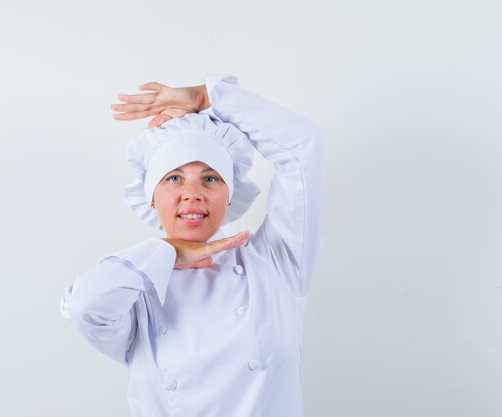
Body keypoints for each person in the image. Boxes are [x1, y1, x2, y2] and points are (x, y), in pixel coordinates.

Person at [60, 73, 325, 417]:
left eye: (210, 178)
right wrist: (166, 253)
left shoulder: (275, 261)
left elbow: (303, 146)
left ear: (229, 194)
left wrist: (206, 97)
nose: (193, 193)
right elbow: (84, 306)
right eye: (173, 178)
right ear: (151, 197)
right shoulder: (137, 291)